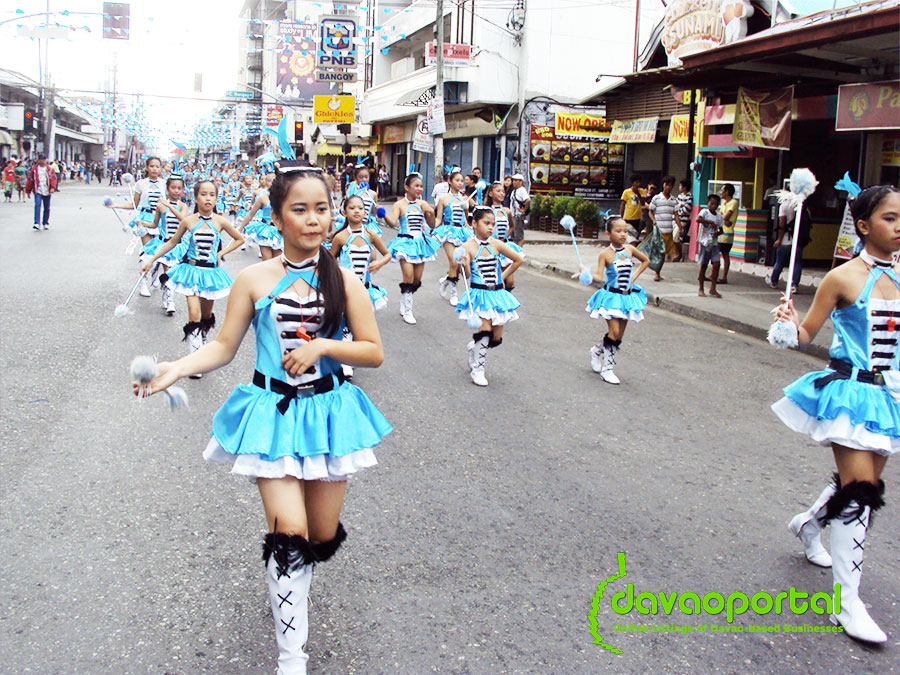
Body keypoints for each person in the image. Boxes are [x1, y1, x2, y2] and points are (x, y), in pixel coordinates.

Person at [134, 161, 392, 673]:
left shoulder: (343, 279)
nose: (313, 219)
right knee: (289, 536)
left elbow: (373, 351)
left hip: (328, 415)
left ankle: (290, 586)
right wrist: (178, 367)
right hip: (273, 414)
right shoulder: (252, 278)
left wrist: (323, 346)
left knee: (320, 536)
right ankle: (291, 656)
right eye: (300, 209)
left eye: (322, 209)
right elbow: (225, 346)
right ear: (276, 217)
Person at [772, 185, 900, 644]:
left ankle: (808, 524)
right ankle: (848, 604)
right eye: (889, 218)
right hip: (850, 393)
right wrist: (788, 324)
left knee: (860, 485)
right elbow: (806, 334)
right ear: (863, 225)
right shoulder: (841, 277)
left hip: (889, 396)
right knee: (862, 492)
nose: (899, 226)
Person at [142, 180, 244, 365]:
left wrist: (221, 253)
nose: (208, 198)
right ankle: (196, 359)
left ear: (216, 199)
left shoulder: (220, 221)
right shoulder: (188, 221)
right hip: (190, 272)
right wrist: (151, 260)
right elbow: (172, 242)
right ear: (196, 198)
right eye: (203, 194)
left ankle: (202, 338)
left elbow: (239, 239)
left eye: (212, 195)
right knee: (194, 313)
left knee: (206, 316)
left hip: (211, 274)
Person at [455, 206, 524, 386]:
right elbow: (466, 275)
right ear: (474, 223)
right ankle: (478, 370)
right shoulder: (467, 247)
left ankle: (474, 347)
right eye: (486, 223)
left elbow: (519, 259)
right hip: (479, 294)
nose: (490, 227)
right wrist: (464, 264)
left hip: (497, 294)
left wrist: (502, 276)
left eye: (493, 224)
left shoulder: (497, 244)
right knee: (484, 331)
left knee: (496, 338)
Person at [582, 216, 650, 384]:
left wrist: (634, 277)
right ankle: (607, 369)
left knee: (618, 336)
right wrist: (586, 273)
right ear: (608, 233)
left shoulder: (630, 249)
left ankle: (596, 351)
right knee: (613, 332)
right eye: (618, 231)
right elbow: (599, 277)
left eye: (625, 231)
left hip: (626, 298)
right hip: (611, 298)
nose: (623, 234)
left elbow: (646, 261)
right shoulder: (605, 254)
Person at [385, 173, 439, 324]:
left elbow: (432, 225)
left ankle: (405, 297)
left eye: (421, 186)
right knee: (408, 277)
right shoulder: (399, 205)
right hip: (405, 243)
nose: (420, 189)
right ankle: (408, 310)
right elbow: (392, 223)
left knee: (416, 280)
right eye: (416, 186)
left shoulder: (423, 204)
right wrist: (382, 214)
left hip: (420, 243)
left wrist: (430, 213)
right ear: (407, 187)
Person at [330, 194, 391, 311]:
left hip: (365, 290)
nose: (356, 211)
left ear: (365, 213)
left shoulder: (371, 235)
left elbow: (387, 254)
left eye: (360, 208)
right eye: (352, 208)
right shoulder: (340, 237)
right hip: (345, 289)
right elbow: (329, 260)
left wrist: (379, 263)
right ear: (344, 212)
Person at [433, 170, 475, 306]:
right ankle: (454, 293)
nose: (460, 183)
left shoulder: (465, 198)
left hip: (462, 232)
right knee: (453, 261)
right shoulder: (443, 199)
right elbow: (439, 218)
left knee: (461, 265)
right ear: (450, 181)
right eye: (457, 180)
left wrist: (469, 210)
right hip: (448, 231)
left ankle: (447, 280)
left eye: (462, 181)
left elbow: (467, 218)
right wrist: (431, 228)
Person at [151, 173, 189, 316]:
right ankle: (170, 300)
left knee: (172, 273)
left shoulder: (182, 206)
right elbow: (155, 224)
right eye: (173, 187)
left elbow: (183, 220)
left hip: (178, 246)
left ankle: (166, 294)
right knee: (169, 272)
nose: (176, 191)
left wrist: (170, 206)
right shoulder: (160, 206)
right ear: (167, 189)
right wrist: (142, 224)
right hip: (165, 244)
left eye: (179, 188)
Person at [485, 181, 522, 291]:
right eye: (498, 191)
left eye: (503, 191)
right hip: (492, 248)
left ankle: (506, 297)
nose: (501, 193)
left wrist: (505, 237)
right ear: (491, 194)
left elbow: (511, 226)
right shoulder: (486, 211)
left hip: (504, 246)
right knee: (499, 281)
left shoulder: (507, 211)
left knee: (510, 282)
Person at [769, 198, 811, 293]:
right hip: (799, 240)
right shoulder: (802, 205)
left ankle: (774, 281)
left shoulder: (785, 205)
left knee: (779, 262)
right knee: (797, 263)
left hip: (786, 239)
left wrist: (779, 239)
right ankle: (794, 285)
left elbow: (782, 223)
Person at [648, 176, 679, 280]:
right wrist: (654, 220)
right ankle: (656, 273)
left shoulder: (674, 200)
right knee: (659, 252)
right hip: (658, 230)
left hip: (668, 230)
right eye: (666, 185)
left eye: (670, 185)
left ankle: (657, 271)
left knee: (663, 253)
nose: (668, 187)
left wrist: (680, 228)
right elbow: (650, 211)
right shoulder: (656, 198)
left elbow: (676, 215)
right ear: (663, 185)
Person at [696, 194, 723, 298]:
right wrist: (710, 222)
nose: (714, 206)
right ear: (708, 203)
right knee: (704, 265)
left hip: (714, 242)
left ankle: (713, 288)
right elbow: (698, 219)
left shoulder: (719, 216)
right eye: (712, 203)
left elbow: (721, 230)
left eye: (716, 204)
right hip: (704, 242)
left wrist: (717, 233)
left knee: (716, 264)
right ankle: (701, 288)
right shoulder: (705, 212)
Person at [25, 153, 57, 230]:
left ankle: (45, 222)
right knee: (37, 205)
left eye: (44, 159)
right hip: (38, 190)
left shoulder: (50, 169)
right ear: (38, 160)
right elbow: (30, 180)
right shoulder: (34, 169)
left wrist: (53, 187)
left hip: (47, 190)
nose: (43, 161)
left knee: (47, 207)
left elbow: (53, 179)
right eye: (41, 159)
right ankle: (37, 223)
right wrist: (28, 190)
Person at [718, 183, 738, 284]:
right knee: (717, 253)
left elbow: (726, 217)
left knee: (725, 254)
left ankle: (724, 276)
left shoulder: (733, 202)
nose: (720, 192)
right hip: (720, 232)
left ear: (727, 192)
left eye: (722, 190)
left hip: (727, 233)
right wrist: (723, 219)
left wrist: (723, 218)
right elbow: (722, 217)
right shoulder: (724, 203)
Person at [619, 174, 645, 242]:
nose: (638, 184)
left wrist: (638, 194)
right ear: (632, 183)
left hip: (638, 218)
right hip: (628, 218)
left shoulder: (641, 191)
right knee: (629, 237)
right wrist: (621, 217)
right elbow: (622, 205)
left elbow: (643, 203)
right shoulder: (626, 192)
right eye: (636, 182)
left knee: (636, 236)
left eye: (639, 182)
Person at [509, 173, 530, 247]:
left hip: (518, 215)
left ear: (520, 181)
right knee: (514, 235)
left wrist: (524, 209)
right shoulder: (515, 190)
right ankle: (515, 249)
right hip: (513, 214)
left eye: (516, 180)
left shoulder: (522, 190)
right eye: (513, 180)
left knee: (519, 235)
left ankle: (519, 250)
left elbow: (528, 200)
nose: (514, 182)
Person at [675, 178, 693, 260]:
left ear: (684, 187)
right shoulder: (679, 196)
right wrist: (681, 206)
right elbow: (675, 206)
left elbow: (687, 209)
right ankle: (677, 254)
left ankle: (679, 254)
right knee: (677, 236)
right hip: (675, 219)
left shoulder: (689, 197)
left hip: (683, 220)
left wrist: (680, 208)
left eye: (680, 185)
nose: (679, 187)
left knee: (676, 236)